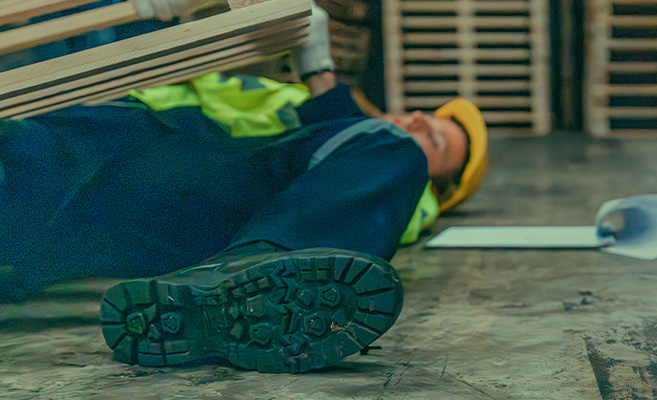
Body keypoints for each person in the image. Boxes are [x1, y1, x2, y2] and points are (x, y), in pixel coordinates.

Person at [0, 0, 488, 374]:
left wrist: (323, 77)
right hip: (108, 160)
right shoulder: (334, 130)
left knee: (388, 147)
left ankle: (249, 273)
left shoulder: (398, 187)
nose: (421, 119)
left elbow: (360, 174)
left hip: (189, 205)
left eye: (438, 139)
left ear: (438, 187)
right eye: (428, 115)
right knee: (30, 172)